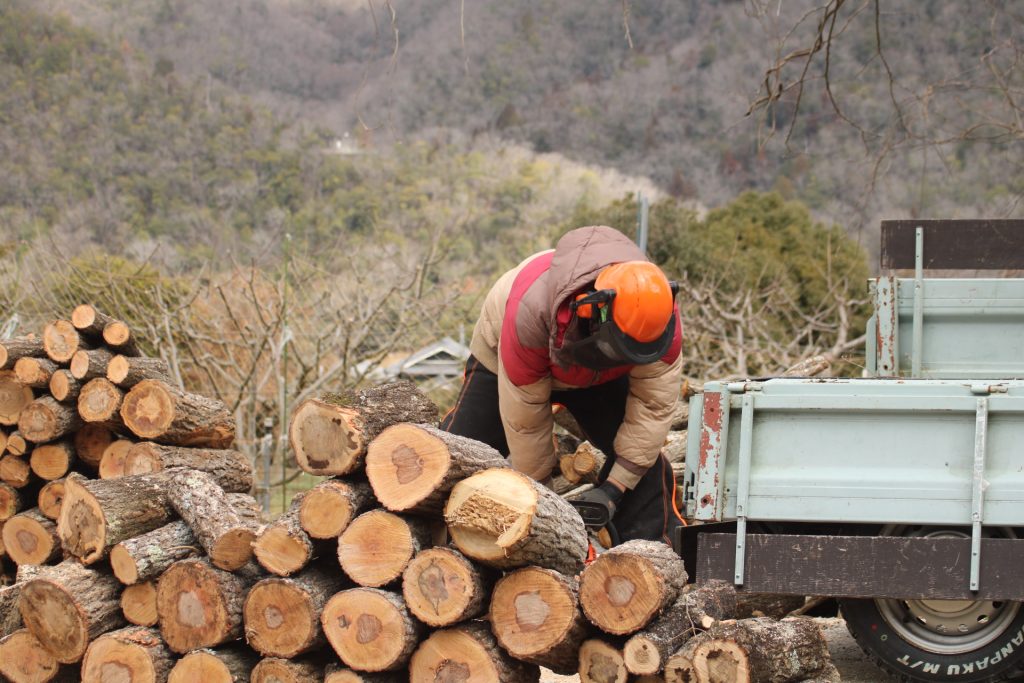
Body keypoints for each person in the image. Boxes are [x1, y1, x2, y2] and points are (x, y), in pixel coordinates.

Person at [441, 225, 685, 544]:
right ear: (593, 309)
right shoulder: (530, 312)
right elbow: (526, 423)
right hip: (513, 355)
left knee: (647, 472)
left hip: (601, 372)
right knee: (459, 453)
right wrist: (544, 508)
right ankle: (434, 541)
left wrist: (614, 489)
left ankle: (653, 556)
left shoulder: (656, 315)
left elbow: (653, 408)